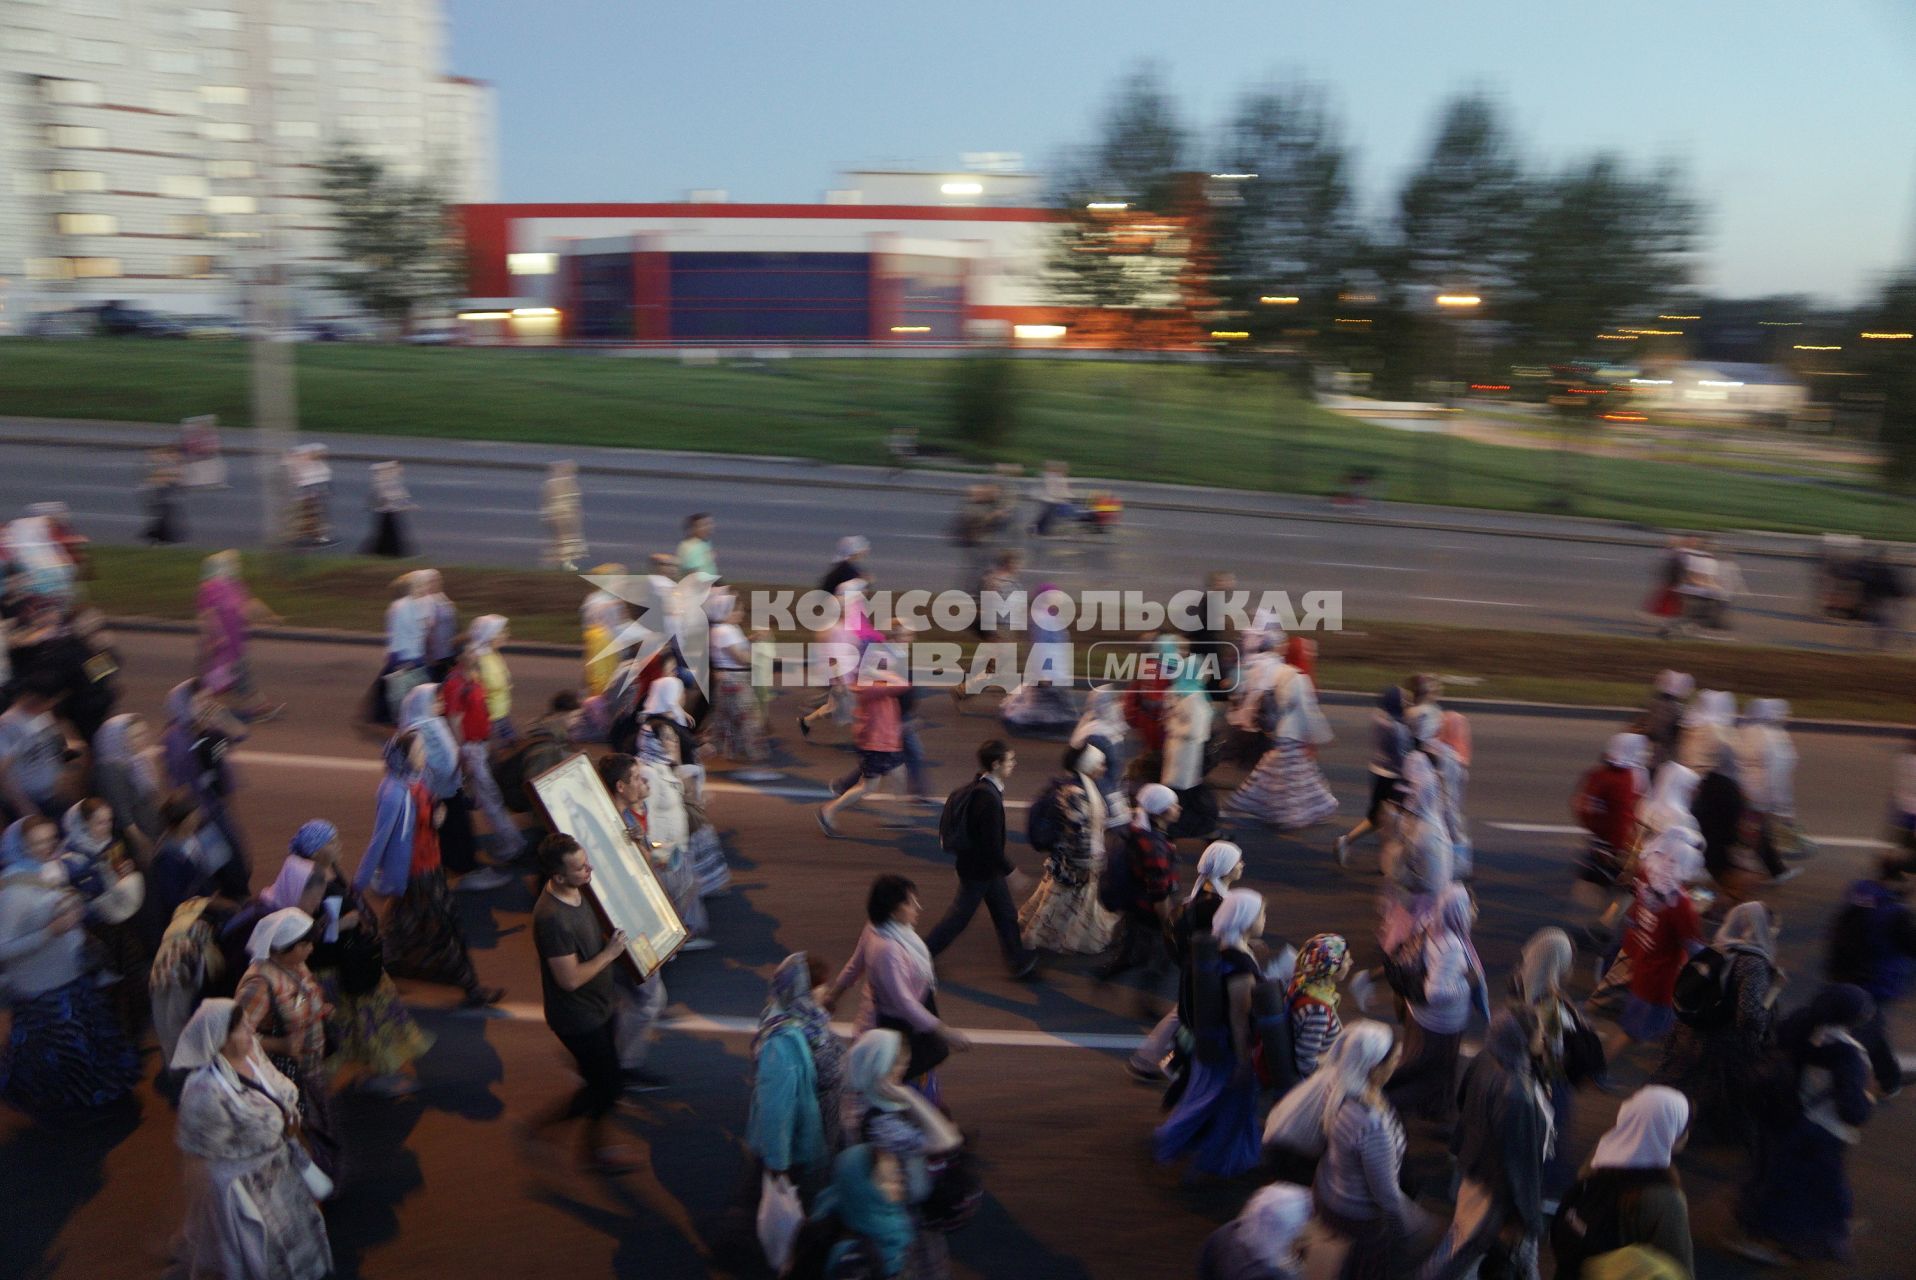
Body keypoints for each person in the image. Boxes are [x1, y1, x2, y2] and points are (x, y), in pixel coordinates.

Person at [263, 821, 431, 1099]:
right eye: (332, 842)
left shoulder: (307, 869)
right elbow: (305, 930)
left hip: (342, 960)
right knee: (366, 1019)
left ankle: (349, 1076)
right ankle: (367, 1075)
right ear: (317, 851)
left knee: (355, 1021)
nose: (338, 845)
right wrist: (343, 924)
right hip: (339, 965)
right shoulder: (315, 877)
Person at [168, 998, 333, 1280]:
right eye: (242, 1028)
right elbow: (199, 1159)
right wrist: (207, 1216)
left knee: (297, 1245)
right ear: (219, 1039)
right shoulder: (204, 1091)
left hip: (282, 1174)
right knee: (265, 1255)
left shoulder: (252, 1055)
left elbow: (279, 1095)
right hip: (248, 1189)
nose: (251, 1031)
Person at [0, 815, 141, 1121]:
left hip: (71, 978)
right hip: (45, 993)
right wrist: (49, 932)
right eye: (37, 842)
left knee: (84, 1046)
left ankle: (91, 1101)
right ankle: (73, 1109)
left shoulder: (51, 870)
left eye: (51, 839)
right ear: (21, 846)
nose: (47, 847)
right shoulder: (12, 892)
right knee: (65, 1054)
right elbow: (4, 949)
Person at [353, 731, 502, 1007]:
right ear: (405, 758)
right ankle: (471, 988)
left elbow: (426, 814)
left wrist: (436, 817)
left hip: (430, 868)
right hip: (415, 873)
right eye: (419, 751)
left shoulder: (417, 780)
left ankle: (372, 974)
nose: (425, 755)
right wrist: (358, 884)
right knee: (444, 929)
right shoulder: (394, 793)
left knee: (401, 930)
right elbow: (380, 840)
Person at [1733, 984, 1878, 1263]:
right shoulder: (1847, 1054)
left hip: (1786, 1114)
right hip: (1822, 1130)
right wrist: (1867, 1101)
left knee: (1787, 1178)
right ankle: (1780, 1238)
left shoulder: (1800, 1024)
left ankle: (1828, 1228)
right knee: (1809, 1185)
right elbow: (1852, 1110)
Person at [524, 833, 636, 1173]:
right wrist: (610, 954)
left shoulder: (578, 889)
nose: (589, 869)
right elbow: (569, 979)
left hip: (600, 1005)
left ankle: (591, 1143)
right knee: (608, 1087)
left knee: (603, 1082)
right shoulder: (552, 919)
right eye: (580, 867)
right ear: (558, 877)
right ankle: (548, 1131)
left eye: (586, 861)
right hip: (578, 1018)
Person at [1420, 1010, 1550, 1280]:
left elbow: (1462, 1100)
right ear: (1521, 1038)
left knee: (1463, 1238)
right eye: (1539, 1031)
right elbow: (1519, 1161)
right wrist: (1526, 1217)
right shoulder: (1515, 1091)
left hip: (1473, 1167)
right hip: (1495, 1189)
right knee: (1465, 1250)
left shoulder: (1486, 1059)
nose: (1544, 1036)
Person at [1304, 1021, 1434, 1279]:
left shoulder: (1336, 1086)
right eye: (1394, 1060)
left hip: (1328, 1190)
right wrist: (1413, 1224)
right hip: (1357, 1216)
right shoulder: (1370, 1123)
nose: (1396, 1065)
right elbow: (1385, 1194)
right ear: (1374, 1068)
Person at [822, 875, 971, 1094]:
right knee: (908, 1083)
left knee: (917, 1079)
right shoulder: (890, 949)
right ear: (893, 911)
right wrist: (944, 1031)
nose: (917, 908)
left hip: (907, 1019)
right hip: (902, 1026)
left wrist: (834, 996)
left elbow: (854, 966)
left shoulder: (877, 928)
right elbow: (904, 1003)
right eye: (910, 903)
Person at [1155, 888, 1267, 1177]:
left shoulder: (1218, 948)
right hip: (1228, 1049)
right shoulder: (1240, 964)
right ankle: (1219, 1159)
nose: (1265, 919)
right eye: (1262, 913)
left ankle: (1182, 1141)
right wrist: (1244, 1061)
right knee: (1230, 1104)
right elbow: (1239, 1016)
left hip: (1209, 1044)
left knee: (1203, 1098)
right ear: (1245, 920)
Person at [1652, 901, 1779, 1151]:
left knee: (1680, 1080)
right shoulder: (1753, 963)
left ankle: (1657, 1121)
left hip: (1689, 1031)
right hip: (1723, 1041)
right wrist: (1764, 1028)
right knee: (1722, 1087)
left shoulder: (1717, 948)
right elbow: (1749, 1013)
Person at [841, 1028, 965, 1280]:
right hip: (900, 1219)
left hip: (890, 1213)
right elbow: (946, 1140)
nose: (900, 1071)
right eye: (894, 1064)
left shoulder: (861, 1099)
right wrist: (907, 1095)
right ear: (877, 1066)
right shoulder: (880, 1122)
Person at [235, 908, 340, 1181]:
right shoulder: (259, 982)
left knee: (318, 1124)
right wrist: (278, 1044)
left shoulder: (296, 965)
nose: (311, 949)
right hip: (286, 1076)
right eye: (304, 944)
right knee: (303, 1130)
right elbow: (234, 1036)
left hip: (309, 1066)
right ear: (281, 949)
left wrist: (321, 1010)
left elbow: (304, 998)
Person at [923, 740, 1039, 980]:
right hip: (980, 870)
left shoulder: (981, 786)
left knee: (1005, 913)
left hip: (981, 867)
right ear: (996, 764)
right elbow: (991, 845)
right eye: (1010, 760)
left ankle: (1018, 961)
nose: (1014, 764)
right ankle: (920, 956)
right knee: (958, 918)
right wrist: (1012, 872)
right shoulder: (987, 799)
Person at [1128, 839, 1242, 1084]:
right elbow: (1217, 940)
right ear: (1226, 867)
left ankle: (1149, 1060)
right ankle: (1163, 1063)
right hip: (1205, 969)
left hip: (1197, 967)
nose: (1241, 865)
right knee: (1190, 1015)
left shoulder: (1209, 893)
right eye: (1237, 861)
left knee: (1184, 1013)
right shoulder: (1213, 903)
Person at [1553, 1086, 1694, 1279]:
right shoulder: (1666, 1198)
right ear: (1669, 1133)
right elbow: (1678, 1268)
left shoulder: (1601, 1154)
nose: (1687, 1134)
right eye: (1683, 1127)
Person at [1509, 928, 1602, 1200]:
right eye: (1568, 961)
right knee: (1549, 1138)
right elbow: (1555, 1053)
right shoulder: (1549, 1006)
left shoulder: (1519, 985)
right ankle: (1546, 1190)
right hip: (1550, 1085)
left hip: (1521, 1077)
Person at [1601, 829, 1705, 1060]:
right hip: (1661, 983)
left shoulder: (1650, 885)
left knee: (1656, 1028)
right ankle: (1596, 1068)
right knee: (1632, 1033)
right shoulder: (1680, 904)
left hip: (1644, 967)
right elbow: (1695, 948)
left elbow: (1631, 920)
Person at [1385, 884, 1484, 1127]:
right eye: (1468, 907)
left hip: (1419, 1016)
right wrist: (1467, 983)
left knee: (1419, 1064)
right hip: (1439, 1023)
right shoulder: (1451, 945)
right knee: (1431, 1072)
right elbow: (1435, 992)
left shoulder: (1431, 923)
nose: (1473, 911)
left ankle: (1434, 1109)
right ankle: (1391, 1103)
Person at [748, 952, 845, 1181]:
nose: (827, 990)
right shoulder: (782, 1044)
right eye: (820, 986)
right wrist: (778, 1164)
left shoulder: (811, 1021)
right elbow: (776, 1107)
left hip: (822, 1130)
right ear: (802, 991)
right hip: (801, 1149)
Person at [1225, 636, 1337, 830]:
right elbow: (1305, 709)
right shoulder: (1299, 677)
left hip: (1280, 731)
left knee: (1283, 773)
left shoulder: (1280, 672)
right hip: (1292, 733)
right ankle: (1299, 812)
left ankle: (1257, 805)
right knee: (1292, 776)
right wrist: (1319, 733)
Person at [1825, 858, 1916, 1094]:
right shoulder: (1896, 913)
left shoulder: (1859, 891)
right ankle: (1879, 1082)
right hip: (1877, 981)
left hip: (1846, 974)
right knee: (1867, 1030)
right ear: (1902, 879)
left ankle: (1887, 1077)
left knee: (1868, 1027)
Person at [1019, 743, 1119, 955]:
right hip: (1075, 861)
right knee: (1065, 900)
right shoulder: (1076, 793)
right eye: (1100, 764)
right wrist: (1085, 863)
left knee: (1063, 899)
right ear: (1088, 767)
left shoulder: (1079, 787)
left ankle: (1048, 933)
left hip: (1072, 858)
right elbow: (1079, 832)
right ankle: (1046, 936)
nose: (1104, 768)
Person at [600, 751, 708, 947]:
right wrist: (654, 853)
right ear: (620, 787)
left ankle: (678, 931)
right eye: (636, 777)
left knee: (688, 872)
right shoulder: (620, 822)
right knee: (688, 878)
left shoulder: (628, 815)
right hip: (636, 890)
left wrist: (657, 848)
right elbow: (641, 864)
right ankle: (676, 933)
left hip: (646, 877)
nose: (642, 781)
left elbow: (647, 847)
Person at [1096, 782, 1181, 986]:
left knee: (1133, 947)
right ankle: (1147, 996)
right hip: (1149, 910)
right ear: (1161, 812)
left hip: (1135, 904)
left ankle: (1107, 973)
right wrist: (1167, 923)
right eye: (1174, 805)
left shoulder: (1138, 831)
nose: (1179, 809)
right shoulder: (1154, 846)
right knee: (1161, 954)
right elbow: (1158, 891)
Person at [817, 667, 913, 837]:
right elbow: (903, 684)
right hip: (876, 744)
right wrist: (881, 674)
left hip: (886, 741)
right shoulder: (869, 686)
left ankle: (899, 817)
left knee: (900, 775)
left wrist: (881, 674)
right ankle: (828, 811)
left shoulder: (875, 682)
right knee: (868, 786)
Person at [1572, 734, 1647, 944]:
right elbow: (1625, 819)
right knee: (1628, 888)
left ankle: (1594, 923)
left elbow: (1581, 806)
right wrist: (1625, 848)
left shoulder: (1597, 775)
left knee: (1603, 885)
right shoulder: (1628, 778)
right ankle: (1604, 926)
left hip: (1597, 842)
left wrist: (1596, 828)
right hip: (1617, 846)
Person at [196, 550, 284, 722]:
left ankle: (253, 707)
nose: (236, 567)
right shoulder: (210, 589)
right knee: (223, 678)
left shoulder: (235, 585)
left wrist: (271, 617)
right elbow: (208, 615)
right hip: (220, 646)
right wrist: (217, 635)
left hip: (234, 645)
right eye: (233, 564)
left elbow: (250, 605)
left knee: (231, 677)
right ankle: (257, 707)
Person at [1334, 687, 1409, 868]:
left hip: (1377, 771)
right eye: (1404, 700)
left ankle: (1347, 841)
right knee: (1392, 818)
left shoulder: (1378, 717)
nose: (1407, 703)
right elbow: (1402, 755)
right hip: (1392, 776)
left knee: (1378, 817)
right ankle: (1387, 863)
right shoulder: (1397, 728)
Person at [1198, 1182, 1312, 1280]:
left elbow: (1203, 1266)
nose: (1297, 1233)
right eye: (1292, 1229)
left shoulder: (1227, 1230)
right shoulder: (1260, 1274)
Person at [0, 674, 75, 820]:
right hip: (30, 804)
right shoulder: (9, 726)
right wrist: (26, 809)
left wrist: (63, 774)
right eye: (51, 701)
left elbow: (56, 745)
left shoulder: (43, 715)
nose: (52, 705)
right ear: (35, 698)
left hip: (53, 796)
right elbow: (4, 775)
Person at [92, 712, 163, 849]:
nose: (143, 739)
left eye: (144, 733)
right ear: (118, 739)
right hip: (137, 838)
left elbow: (152, 792)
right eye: (136, 736)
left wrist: (152, 763)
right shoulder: (110, 768)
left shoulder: (135, 760)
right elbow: (123, 815)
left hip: (151, 826)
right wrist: (142, 845)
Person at [1289, 933, 1351, 1078]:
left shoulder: (1302, 985)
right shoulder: (1318, 1012)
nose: (1351, 963)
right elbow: (1306, 1063)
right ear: (1331, 969)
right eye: (1346, 960)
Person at [468, 614, 514, 743]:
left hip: (503, 715)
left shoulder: (493, 654)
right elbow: (475, 696)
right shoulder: (477, 661)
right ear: (489, 635)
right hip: (490, 722)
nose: (506, 635)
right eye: (501, 632)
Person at [362, 461, 416, 558]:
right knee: (391, 533)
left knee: (386, 534)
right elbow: (388, 497)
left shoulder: (389, 480)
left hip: (388, 512)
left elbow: (398, 495)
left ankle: (377, 552)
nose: (402, 470)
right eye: (399, 469)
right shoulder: (385, 482)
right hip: (387, 512)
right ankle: (395, 554)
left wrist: (407, 505)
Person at [542, 460, 586, 571]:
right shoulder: (568, 483)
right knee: (566, 540)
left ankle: (556, 562)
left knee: (560, 540)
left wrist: (546, 515)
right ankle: (560, 563)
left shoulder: (551, 483)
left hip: (557, 514)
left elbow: (547, 500)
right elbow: (573, 501)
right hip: (565, 515)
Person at [143, 447, 186, 545]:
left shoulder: (171, 465)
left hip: (163, 492)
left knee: (164, 515)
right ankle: (160, 537)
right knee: (164, 515)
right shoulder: (165, 464)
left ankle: (159, 537)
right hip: (161, 491)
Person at [675, 512, 718, 580]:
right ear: (693, 528)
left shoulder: (704, 543)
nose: (709, 527)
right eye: (705, 525)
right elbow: (693, 574)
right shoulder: (692, 547)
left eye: (710, 523)